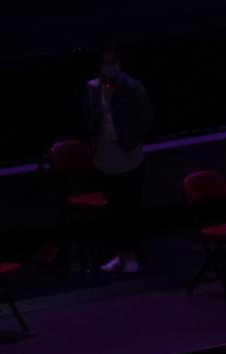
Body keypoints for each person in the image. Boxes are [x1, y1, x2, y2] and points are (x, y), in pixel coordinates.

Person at [82, 42, 152, 274]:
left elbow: (145, 118)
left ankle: (133, 254)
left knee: (130, 208)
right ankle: (118, 254)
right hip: (104, 159)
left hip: (129, 157)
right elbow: (89, 120)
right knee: (113, 211)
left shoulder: (132, 86)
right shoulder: (91, 88)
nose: (109, 66)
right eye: (105, 62)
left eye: (113, 61)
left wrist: (132, 141)